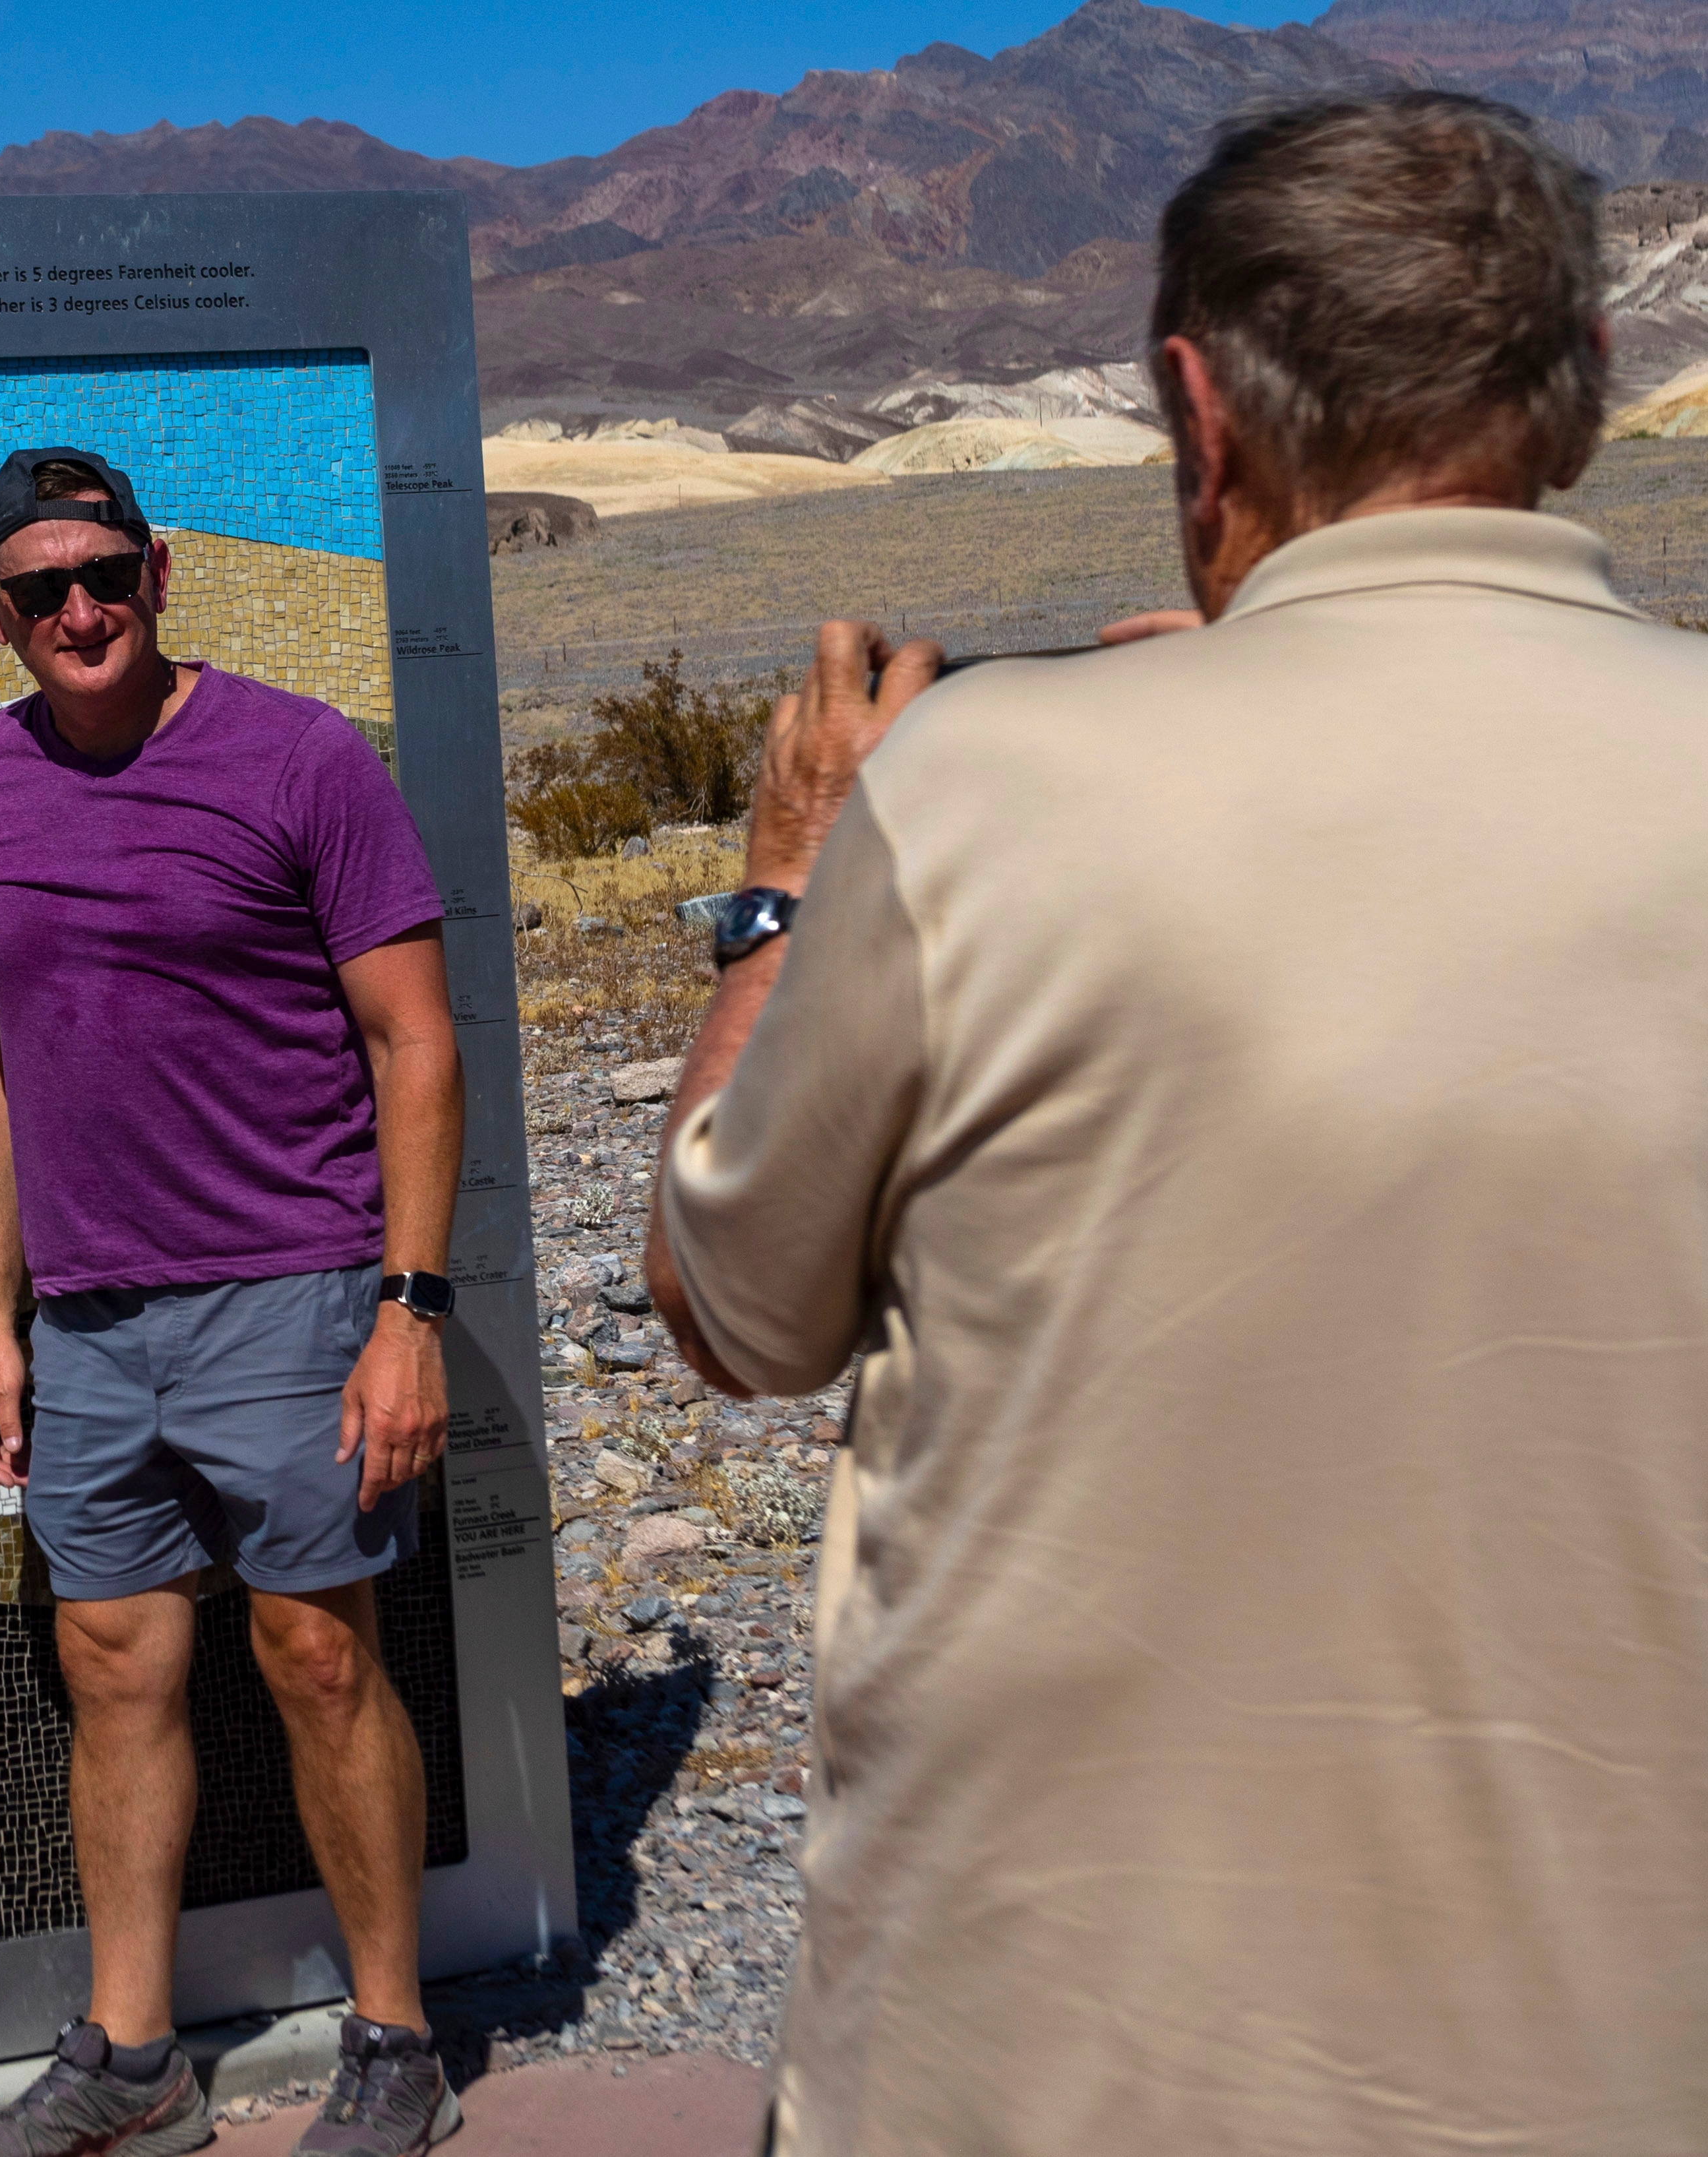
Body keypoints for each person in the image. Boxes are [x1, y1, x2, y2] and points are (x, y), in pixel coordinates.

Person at [645, 92, 1708, 2154]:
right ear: (1582, 391)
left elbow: (727, 1303)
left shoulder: (988, 793)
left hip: (1040, 2063)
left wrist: (783, 893)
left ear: (1198, 414)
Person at [0, 447, 464, 2157]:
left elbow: (415, 1041)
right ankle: (135, 2054)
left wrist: (408, 1307)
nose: (79, 610)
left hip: (294, 1291)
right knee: (111, 1661)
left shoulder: (300, 757)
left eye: (107, 574)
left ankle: (396, 2042)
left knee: (316, 1650)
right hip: (86, 1321)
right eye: (39, 588)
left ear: (162, 575)